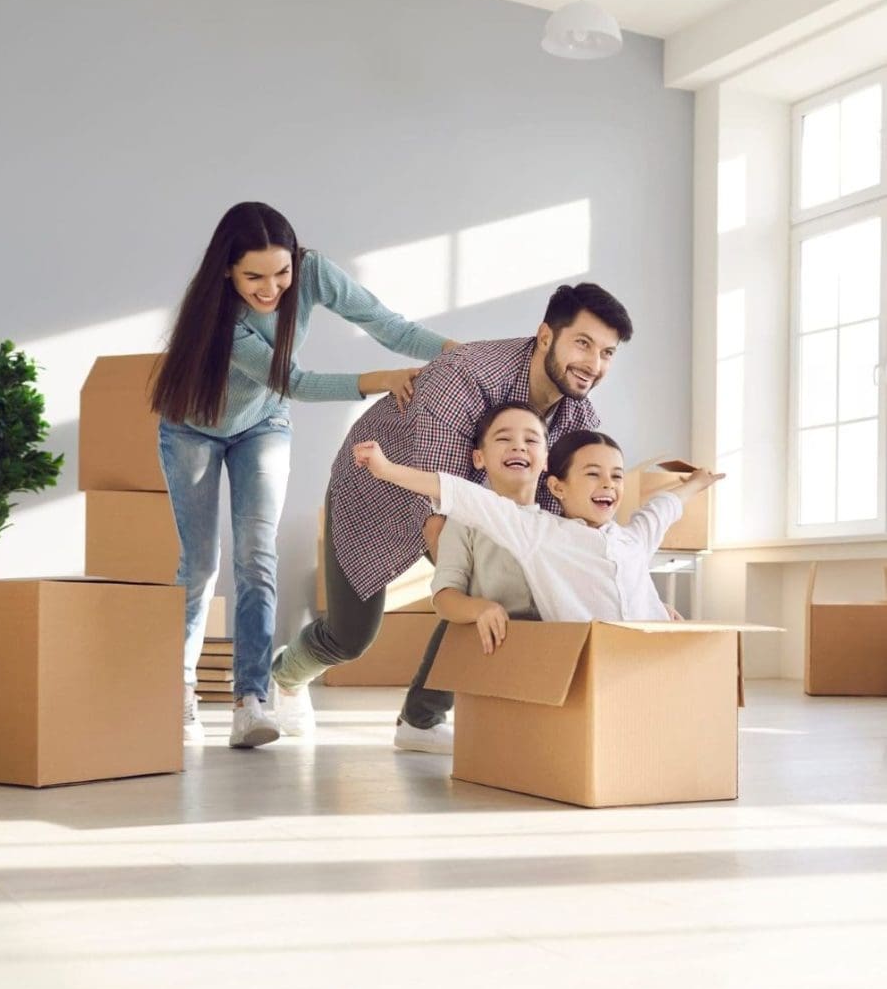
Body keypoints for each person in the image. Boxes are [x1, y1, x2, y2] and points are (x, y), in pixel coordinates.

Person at [270, 282, 634, 747]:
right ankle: (285, 673)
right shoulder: (462, 377)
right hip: (379, 487)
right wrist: (474, 593)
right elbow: (439, 505)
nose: (593, 365)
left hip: (469, 504)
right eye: (582, 344)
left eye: (607, 353)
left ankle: (419, 721)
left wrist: (633, 591)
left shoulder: (580, 418)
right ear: (546, 336)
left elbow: (576, 521)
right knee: (350, 636)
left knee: (502, 586)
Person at [150, 201, 454, 748]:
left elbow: (385, 323)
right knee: (200, 565)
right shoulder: (222, 318)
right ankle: (178, 694)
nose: (272, 289)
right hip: (193, 428)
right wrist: (377, 379)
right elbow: (292, 380)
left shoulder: (312, 274)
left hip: (262, 424)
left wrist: (458, 354)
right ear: (226, 270)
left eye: (282, 272)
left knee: (257, 556)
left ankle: (251, 702)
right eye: (254, 278)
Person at [352, 430, 723, 623]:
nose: (608, 484)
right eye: (593, 474)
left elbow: (663, 507)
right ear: (558, 486)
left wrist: (696, 482)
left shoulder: (631, 539)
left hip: (655, 654)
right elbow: (465, 497)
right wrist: (387, 470)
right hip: (595, 662)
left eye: (615, 476)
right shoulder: (539, 534)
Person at [395, 402, 545, 754]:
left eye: (531, 440)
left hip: (542, 639)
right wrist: (479, 608)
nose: (519, 447)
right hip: (486, 630)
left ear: (547, 459)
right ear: (479, 459)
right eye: (504, 439)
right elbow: (445, 596)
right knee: (459, 619)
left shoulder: (558, 525)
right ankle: (420, 719)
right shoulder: (465, 521)